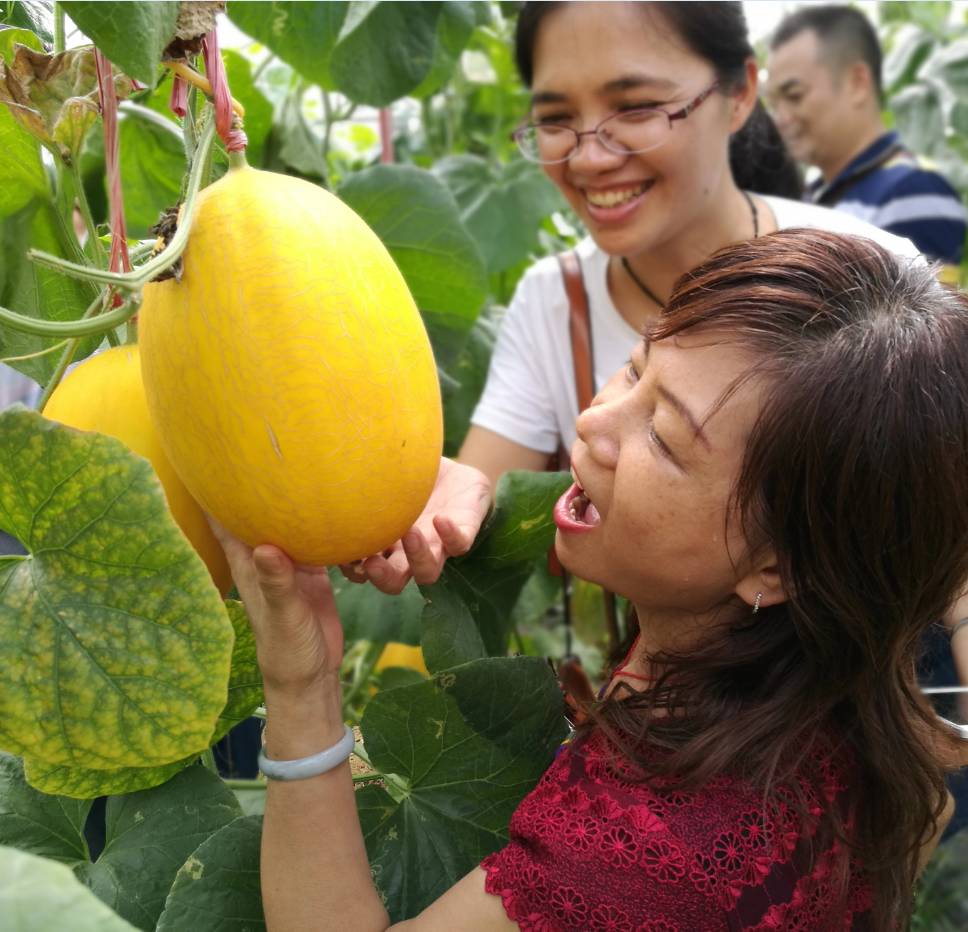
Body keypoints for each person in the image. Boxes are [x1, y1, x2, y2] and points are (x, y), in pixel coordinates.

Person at [214, 228, 968, 930]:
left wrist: (300, 682)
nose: (594, 423)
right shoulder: (841, 684)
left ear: (779, 566)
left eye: (666, 439)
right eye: (637, 367)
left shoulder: (648, 852)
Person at [342, 1, 922, 599]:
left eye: (637, 107)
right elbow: (474, 486)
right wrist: (414, 512)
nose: (589, 156)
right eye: (556, 117)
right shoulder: (551, 302)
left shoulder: (879, 283)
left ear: (741, 92)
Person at [766, 4, 967, 280]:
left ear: (857, 83)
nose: (780, 118)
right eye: (774, 104)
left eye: (794, 96)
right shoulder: (814, 195)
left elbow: (932, 320)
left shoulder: (913, 193)